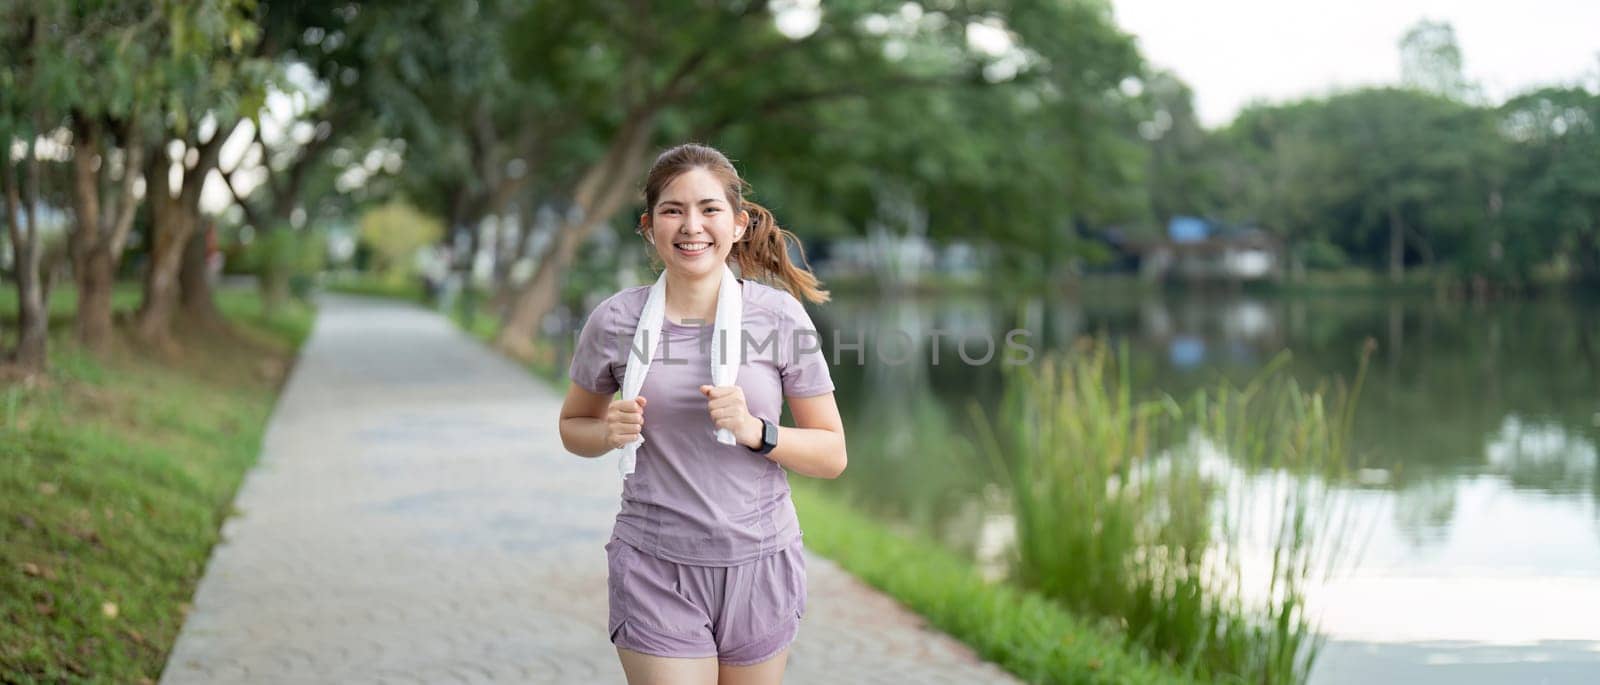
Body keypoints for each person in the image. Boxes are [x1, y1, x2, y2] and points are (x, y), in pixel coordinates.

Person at [558, 143, 848, 685]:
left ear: (737, 224)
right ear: (649, 226)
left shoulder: (778, 317)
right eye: (673, 210)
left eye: (709, 209)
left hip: (760, 563)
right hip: (655, 565)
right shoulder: (615, 320)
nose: (692, 225)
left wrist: (755, 431)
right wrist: (607, 432)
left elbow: (832, 454)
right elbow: (573, 427)